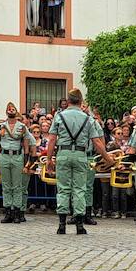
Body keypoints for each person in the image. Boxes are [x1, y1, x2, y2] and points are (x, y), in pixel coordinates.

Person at [46, 88, 108, 235]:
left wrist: (49, 159)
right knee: (80, 189)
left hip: (63, 153)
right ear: (81, 102)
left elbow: (52, 139)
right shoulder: (87, 119)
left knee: (63, 188)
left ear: (68, 101)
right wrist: (108, 158)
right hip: (81, 154)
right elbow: (97, 142)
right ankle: (80, 225)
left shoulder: (59, 116)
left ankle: (62, 224)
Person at [0, 104, 35, 224]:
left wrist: (27, 164)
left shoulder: (22, 127)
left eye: (13, 109)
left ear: (16, 112)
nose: (11, 110)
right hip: (4, 156)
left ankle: (17, 211)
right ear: (6, 112)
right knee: (6, 186)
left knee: (17, 186)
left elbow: (26, 147)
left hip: (17, 156)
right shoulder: (0, 127)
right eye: (9, 109)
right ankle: (7, 212)